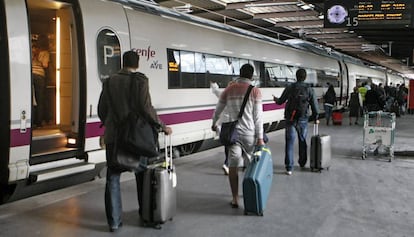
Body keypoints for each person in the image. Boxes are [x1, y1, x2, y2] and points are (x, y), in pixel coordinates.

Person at [98, 50, 172, 232]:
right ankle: (145, 215)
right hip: (136, 138)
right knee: (143, 177)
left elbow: (102, 109)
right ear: (137, 64)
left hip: (114, 137)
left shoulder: (109, 82)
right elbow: (146, 108)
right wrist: (162, 125)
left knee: (113, 179)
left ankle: (114, 222)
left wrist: (108, 125)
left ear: (122, 63)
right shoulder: (140, 80)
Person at [211, 64, 264, 208]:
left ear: (240, 73)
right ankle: (248, 193)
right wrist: (260, 136)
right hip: (249, 133)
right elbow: (258, 117)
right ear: (252, 76)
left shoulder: (229, 89)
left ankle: (235, 198)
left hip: (232, 133)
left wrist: (214, 123)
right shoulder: (255, 91)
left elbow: (218, 110)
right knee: (250, 164)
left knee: (233, 165)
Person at [273, 68, 319, 175]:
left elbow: (280, 101)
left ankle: (289, 167)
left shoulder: (290, 87)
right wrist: (316, 117)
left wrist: (275, 99)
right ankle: (302, 162)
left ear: (296, 76)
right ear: (305, 77)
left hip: (290, 119)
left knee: (289, 143)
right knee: (302, 141)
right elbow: (315, 107)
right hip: (303, 119)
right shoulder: (309, 89)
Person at [210, 81, 234, 175]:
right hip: (233, 124)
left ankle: (227, 163)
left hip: (224, 124)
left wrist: (213, 83)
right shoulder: (236, 97)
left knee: (227, 144)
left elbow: (215, 91)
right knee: (236, 143)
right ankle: (228, 163)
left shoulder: (223, 94)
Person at [32, 35, 50, 127]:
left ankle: (32, 120)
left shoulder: (32, 51)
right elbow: (45, 65)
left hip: (31, 75)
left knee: (33, 100)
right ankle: (39, 122)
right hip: (39, 76)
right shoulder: (45, 53)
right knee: (40, 100)